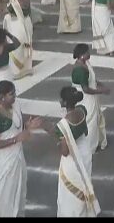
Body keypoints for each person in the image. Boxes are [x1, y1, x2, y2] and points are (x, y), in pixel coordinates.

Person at [0, 80, 42, 217]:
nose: (14, 96)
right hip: (1, 162)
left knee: (16, 191)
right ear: (2, 97)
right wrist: (16, 139)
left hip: (15, 158)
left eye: (14, 93)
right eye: (11, 94)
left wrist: (28, 125)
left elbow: (18, 128)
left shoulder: (15, 105)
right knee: (1, 197)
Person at [42, 86, 100, 217]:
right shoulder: (82, 110)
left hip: (73, 159)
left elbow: (65, 151)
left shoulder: (63, 124)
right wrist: (53, 130)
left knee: (71, 194)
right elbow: (70, 133)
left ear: (64, 102)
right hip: (85, 152)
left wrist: (48, 129)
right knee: (84, 184)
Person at [71, 43, 110, 156]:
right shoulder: (80, 70)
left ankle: (97, 141)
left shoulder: (85, 64)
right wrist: (101, 91)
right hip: (86, 98)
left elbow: (92, 80)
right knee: (91, 121)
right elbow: (86, 89)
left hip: (90, 97)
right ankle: (90, 147)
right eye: (87, 52)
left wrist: (100, 84)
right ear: (82, 55)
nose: (89, 53)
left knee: (95, 119)